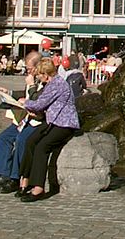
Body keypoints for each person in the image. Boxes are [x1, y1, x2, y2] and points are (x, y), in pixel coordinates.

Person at [18, 58, 80, 202]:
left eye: (39, 75)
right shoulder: (51, 83)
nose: (38, 77)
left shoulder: (57, 84)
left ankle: (38, 187)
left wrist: (24, 102)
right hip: (52, 121)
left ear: (46, 74)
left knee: (42, 147)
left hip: (65, 124)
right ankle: (25, 179)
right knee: (30, 141)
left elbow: (40, 103)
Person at [0, 51, 44, 193]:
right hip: (24, 117)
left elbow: (38, 100)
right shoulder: (32, 79)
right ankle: (2, 174)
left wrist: (29, 91)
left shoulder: (44, 79)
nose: (27, 71)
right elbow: (25, 94)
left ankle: (15, 177)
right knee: (3, 138)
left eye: (29, 69)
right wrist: (9, 94)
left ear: (37, 67)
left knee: (21, 140)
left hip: (37, 120)